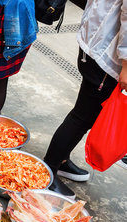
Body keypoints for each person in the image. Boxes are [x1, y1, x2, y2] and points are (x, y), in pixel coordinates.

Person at [43, 0, 127, 198]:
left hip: (96, 44)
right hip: (106, 54)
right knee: (82, 117)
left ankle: (61, 160)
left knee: (84, 115)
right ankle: (48, 170)